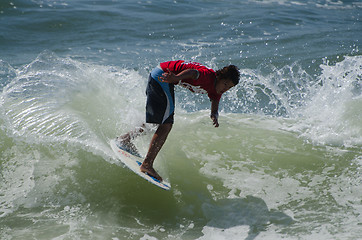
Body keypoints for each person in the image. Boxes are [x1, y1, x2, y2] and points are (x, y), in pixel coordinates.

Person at [116, 60, 240, 181]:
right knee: (166, 124)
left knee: (158, 121)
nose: (226, 89)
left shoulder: (217, 89)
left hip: (160, 77)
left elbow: (215, 99)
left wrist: (214, 114)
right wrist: (176, 77)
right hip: (162, 77)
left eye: (229, 87)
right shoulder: (207, 77)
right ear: (219, 77)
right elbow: (193, 72)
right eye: (225, 84)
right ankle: (147, 164)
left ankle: (125, 139)